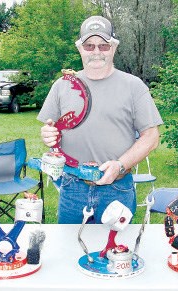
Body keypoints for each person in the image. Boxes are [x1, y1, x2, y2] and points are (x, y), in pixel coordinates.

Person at [37, 15, 163, 224]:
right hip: (72, 187)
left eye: (103, 46)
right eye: (89, 45)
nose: (96, 52)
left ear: (113, 47)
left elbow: (151, 136)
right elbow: (50, 129)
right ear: (80, 48)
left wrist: (120, 166)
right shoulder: (62, 85)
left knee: (116, 252)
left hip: (117, 188)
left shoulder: (134, 86)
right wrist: (48, 134)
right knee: (69, 250)